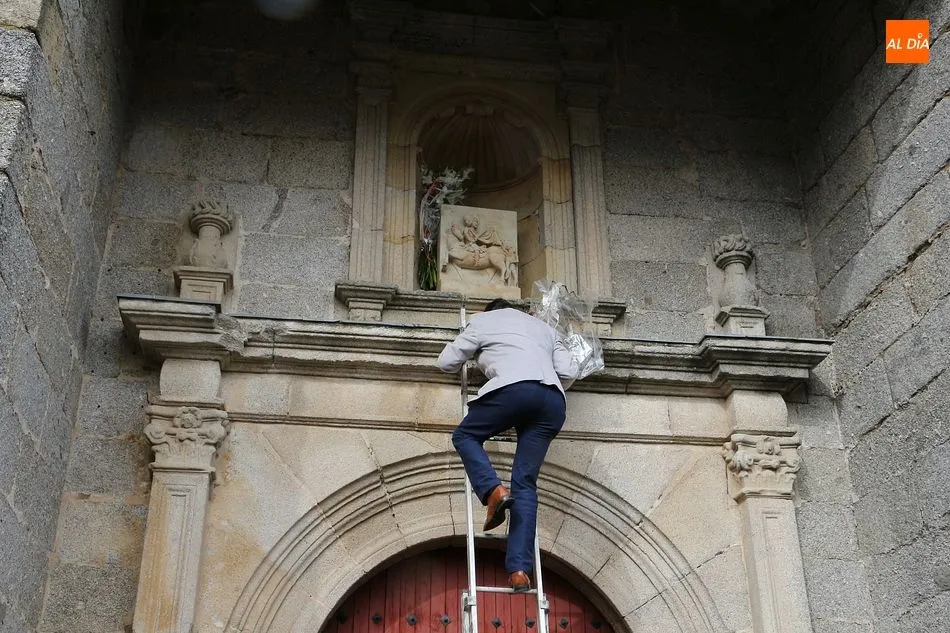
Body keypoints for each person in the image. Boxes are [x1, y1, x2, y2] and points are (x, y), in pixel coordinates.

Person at [438, 298, 577, 592]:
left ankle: (493, 491)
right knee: (525, 483)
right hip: (553, 403)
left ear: (491, 310)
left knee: (465, 436)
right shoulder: (544, 328)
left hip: (514, 391)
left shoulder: (483, 321)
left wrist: (477, 354)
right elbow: (567, 373)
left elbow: (446, 363)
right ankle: (519, 571)